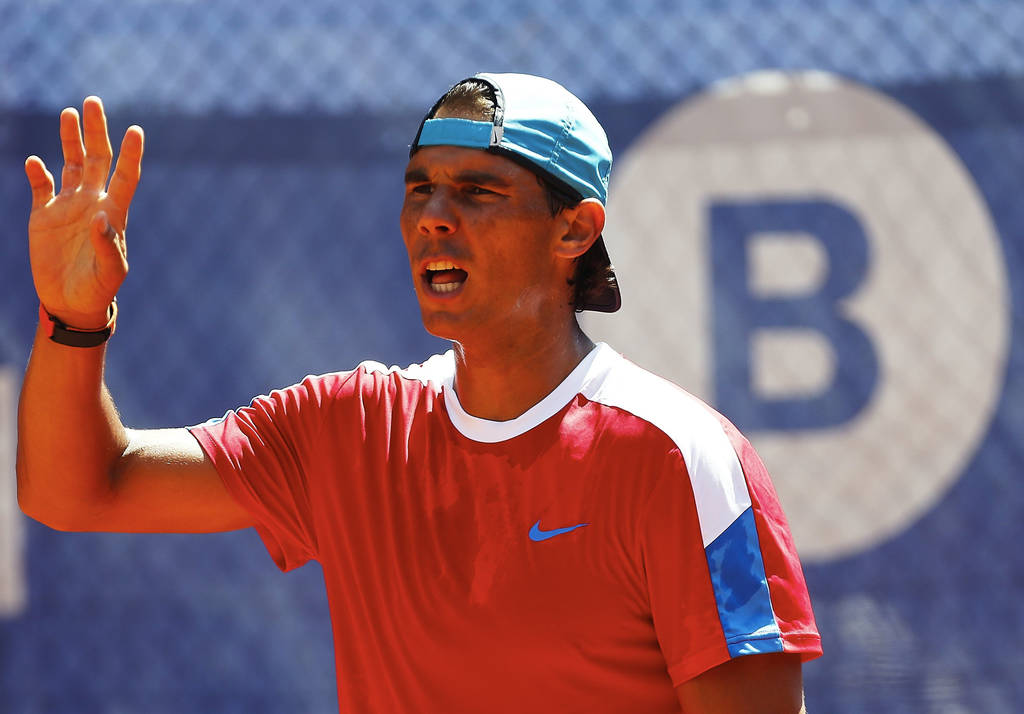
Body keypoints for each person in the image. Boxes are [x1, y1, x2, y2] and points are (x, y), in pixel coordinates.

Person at [18, 73, 822, 712]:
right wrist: (73, 319)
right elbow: (78, 489)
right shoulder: (347, 427)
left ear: (574, 230)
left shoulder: (682, 460)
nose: (433, 216)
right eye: (419, 189)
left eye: (478, 192)